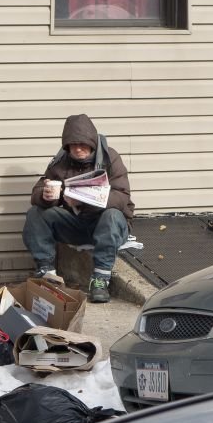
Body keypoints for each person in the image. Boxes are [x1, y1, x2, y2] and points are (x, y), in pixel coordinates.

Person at [22, 114, 134, 303]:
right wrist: (46, 196)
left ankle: (100, 280)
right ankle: (46, 273)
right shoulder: (60, 162)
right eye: (73, 145)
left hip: (107, 225)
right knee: (36, 213)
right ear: (67, 146)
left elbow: (121, 197)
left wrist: (85, 200)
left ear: (92, 143)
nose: (78, 149)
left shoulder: (110, 158)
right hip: (75, 223)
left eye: (83, 144)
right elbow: (38, 190)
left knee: (113, 215)